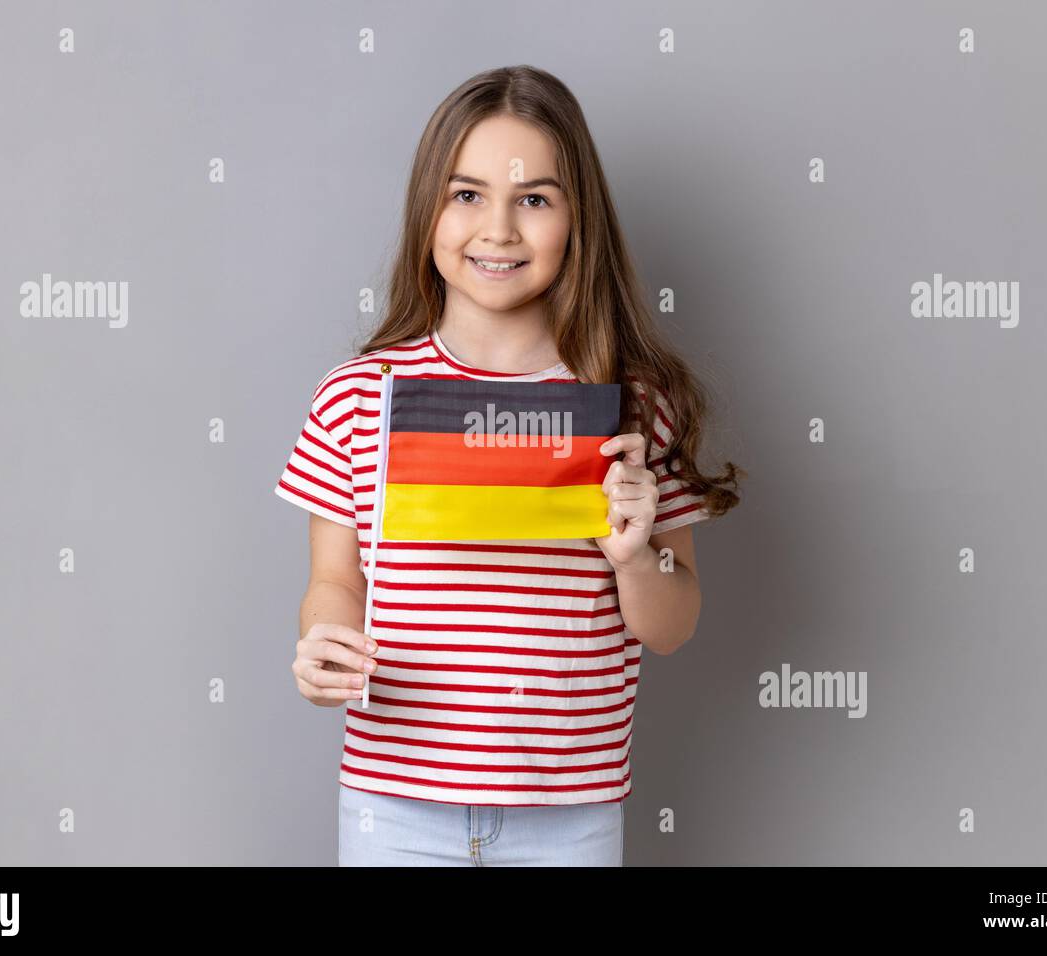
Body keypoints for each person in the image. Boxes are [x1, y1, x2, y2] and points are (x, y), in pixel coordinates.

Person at [275, 65, 745, 866]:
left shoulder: (633, 407)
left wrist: (635, 556)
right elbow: (337, 580)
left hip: (570, 816)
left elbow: (672, 625)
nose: (497, 229)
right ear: (428, 209)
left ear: (577, 220)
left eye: (533, 198)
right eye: (466, 194)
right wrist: (326, 642)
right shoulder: (361, 397)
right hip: (394, 804)